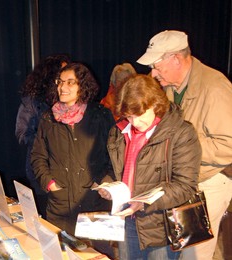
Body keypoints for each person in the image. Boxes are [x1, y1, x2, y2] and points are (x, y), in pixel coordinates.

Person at [136, 30, 232, 260]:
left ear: (176, 59)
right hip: (183, 181)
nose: (153, 73)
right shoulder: (170, 87)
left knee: (193, 255)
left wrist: (183, 150)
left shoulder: (214, 87)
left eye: (157, 66)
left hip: (210, 182)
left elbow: (229, 145)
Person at [98, 74, 201, 259]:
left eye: (139, 115)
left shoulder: (181, 133)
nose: (135, 123)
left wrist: (144, 203)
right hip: (126, 220)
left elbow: (185, 185)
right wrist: (108, 185)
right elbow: (110, 168)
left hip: (160, 225)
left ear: (155, 104)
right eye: (129, 116)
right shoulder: (119, 131)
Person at [30, 62, 115, 235]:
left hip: (95, 204)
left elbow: (115, 154)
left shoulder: (101, 115)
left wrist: (105, 180)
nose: (63, 87)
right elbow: (38, 156)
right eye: (60, 82)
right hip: (60, 206)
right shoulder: (48, 118)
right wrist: (49, 183)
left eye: (70, 82)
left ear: (82, 85)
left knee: (95, 255)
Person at [15, 54, 70, 218]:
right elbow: (21, 133)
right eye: (62, 75)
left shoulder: (71, 101)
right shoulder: (32, 102)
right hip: (41, 169)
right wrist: (45, 139)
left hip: (68, 172)